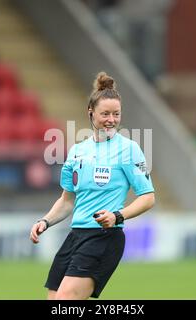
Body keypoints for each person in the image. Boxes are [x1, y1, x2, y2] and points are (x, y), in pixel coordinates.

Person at [29, 71, 155, 300]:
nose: (111, 120)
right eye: (105, 113)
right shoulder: (78, 151)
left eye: (116, 114)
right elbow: (67, 200)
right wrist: (45, 221)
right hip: (76, 236)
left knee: (65, 303)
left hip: (104, 238)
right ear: (91, 112)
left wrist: (118, 215)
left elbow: (148, 197)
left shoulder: (128, 149)